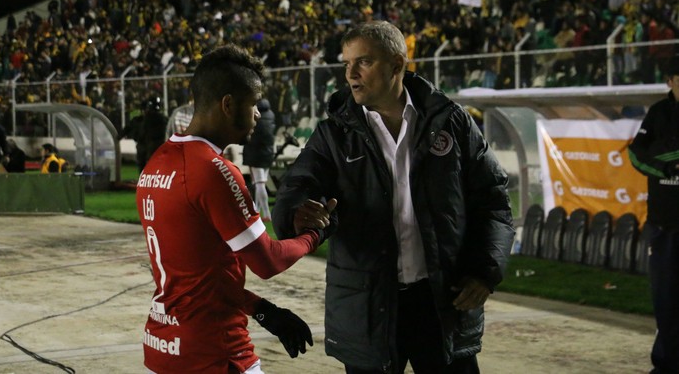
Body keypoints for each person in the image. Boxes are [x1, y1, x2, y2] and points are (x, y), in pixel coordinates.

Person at [272, 21, 514, 374]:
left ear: (397, 64)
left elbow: (493, 201)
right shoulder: (333, 135)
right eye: (346, 64)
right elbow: (297, 187)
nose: (351, 74)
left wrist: (484, 271)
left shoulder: (452, 122)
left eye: (363, 62)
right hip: (369, 306)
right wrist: (297, 212)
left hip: (442, 302)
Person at [135, 44, 336, 374]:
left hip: (163, 346)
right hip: (215, 352)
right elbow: (267, 260)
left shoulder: (156, 164)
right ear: (228, 105)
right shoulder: (214, 170)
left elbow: (200, 277)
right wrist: (314, 234)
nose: (258, 113)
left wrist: (262, 309)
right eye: (254, 103)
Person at [628, 55, 679, 374]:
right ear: (671, 81)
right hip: (664, 225)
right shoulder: (659, 113)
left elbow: (656, 152)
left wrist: (666, 151)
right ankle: (667, 364)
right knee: (666, 300)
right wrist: (666, 162)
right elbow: (637, 155)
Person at [242, 98, 276, 222]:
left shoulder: (256, 117)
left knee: (260, 184)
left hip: (256, 154)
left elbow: (252, 138)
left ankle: (267, 213)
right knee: (259, 183)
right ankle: (256, 210)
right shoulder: (271, 115)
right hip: (268, 153)